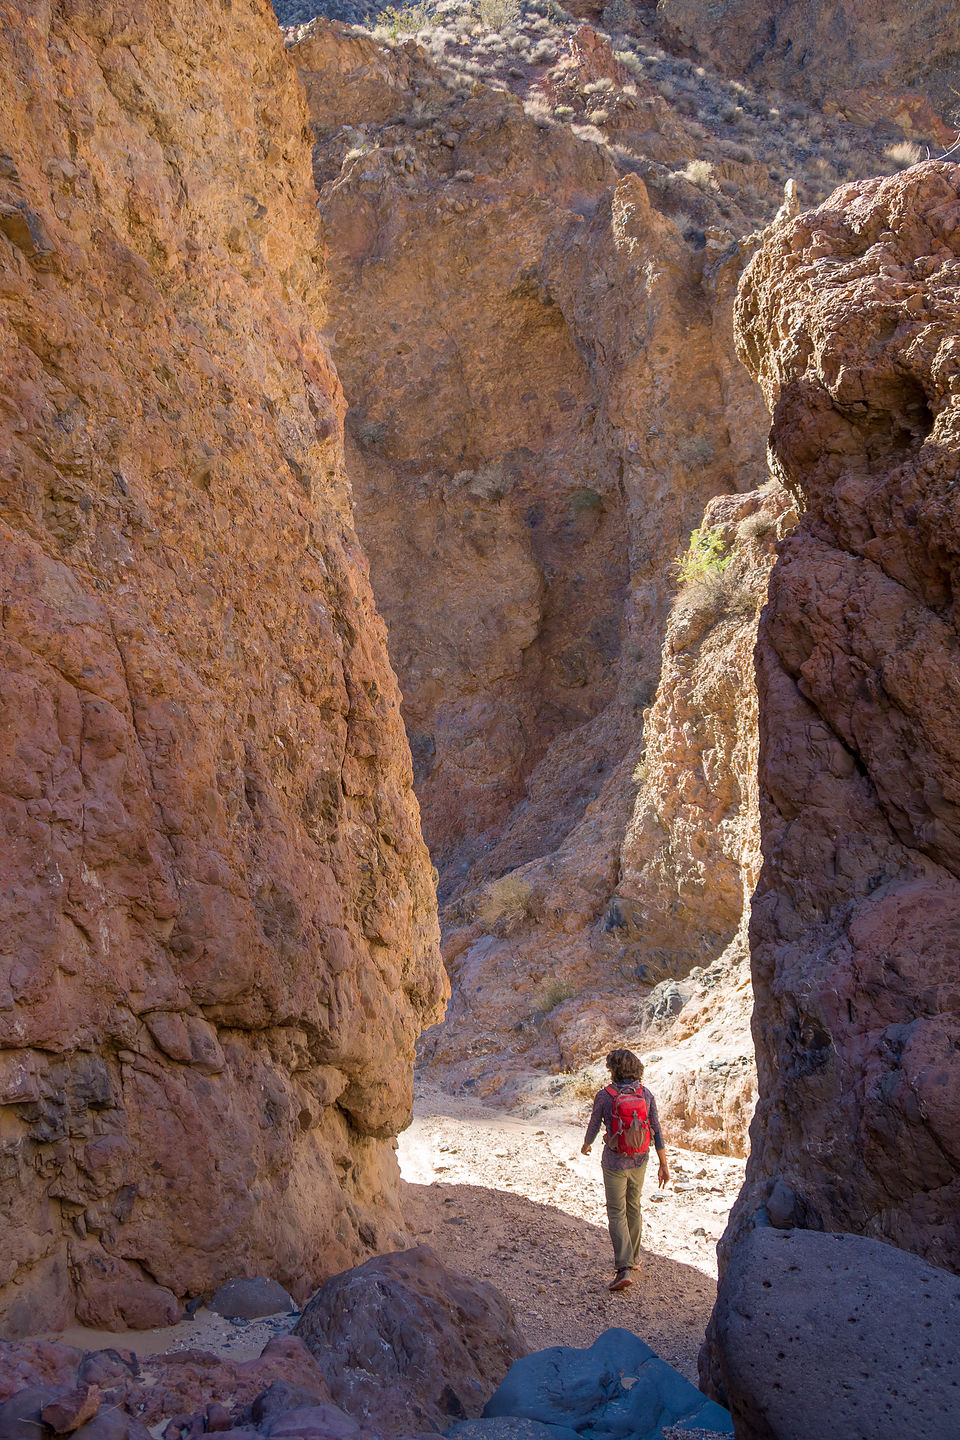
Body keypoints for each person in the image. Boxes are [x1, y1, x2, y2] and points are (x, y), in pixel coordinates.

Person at [581, 1047, 670, 1292]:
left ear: (613, 1070)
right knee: (634, 1206)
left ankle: (623, 1269)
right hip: (640, 1159)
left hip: (614, 1161)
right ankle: (634, 1258)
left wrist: (586, 1144)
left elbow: (594, 1124)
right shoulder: (646, 1094)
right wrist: (664, 1164)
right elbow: (657, 1130)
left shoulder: (605, 1095)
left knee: (616, 1210)